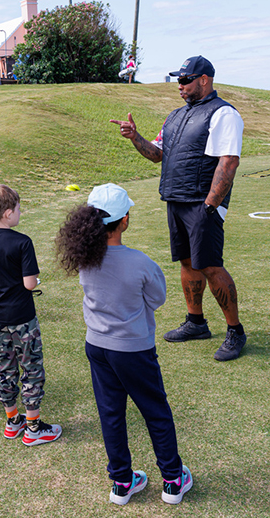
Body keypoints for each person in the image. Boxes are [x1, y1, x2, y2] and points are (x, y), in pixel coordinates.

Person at [55, 183, 193, 506]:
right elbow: (157, 298)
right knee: (156, 411)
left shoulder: (84, 259)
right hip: (133, 350)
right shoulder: (139, 262)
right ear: (124, 220)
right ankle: (173, 480)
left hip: (97, 348)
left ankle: (121, 482)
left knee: (111, 414)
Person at [110, 55, 247, 361]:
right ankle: (196, 322)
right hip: (176, 200)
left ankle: (235, 331)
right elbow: (157, 153)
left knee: (211, 266)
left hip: (202, 204)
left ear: (205, 80)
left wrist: (211, 205)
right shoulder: (174, 117)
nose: (180, 85)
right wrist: (135, 137)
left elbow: (228, 161)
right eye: (178, 80)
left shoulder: (224, 114)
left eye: (186, 80)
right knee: (187, 263)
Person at [0, 185, 62, 446]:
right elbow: (30, 283)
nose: (20, 212)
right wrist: (29, 277)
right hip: (23, 318)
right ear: (8, 213)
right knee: (31, 369)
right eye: (18, 208)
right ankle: (33, 428)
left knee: (5, 369)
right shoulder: (22, 242)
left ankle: (12, 420)